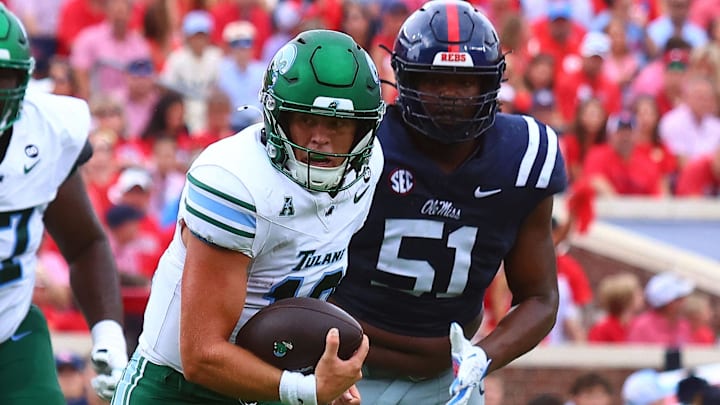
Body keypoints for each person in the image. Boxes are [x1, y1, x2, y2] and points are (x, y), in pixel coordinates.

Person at [110, 29, 385, 405]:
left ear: (362, 128)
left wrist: (317, 373)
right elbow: (201, 355)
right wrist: (307, 391)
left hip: (274, 383)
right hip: (178, 389)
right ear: (278, 117)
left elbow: (304, 285)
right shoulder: (236, 181)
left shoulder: (367, 170)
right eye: (306, 120)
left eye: (336, 124)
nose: (320, 139)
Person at [331, 1, 568, 404]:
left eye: (465, 82)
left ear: (491, 82)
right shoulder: (362, 142)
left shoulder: (523, 154)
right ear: (405, 79)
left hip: (445, 381)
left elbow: (541, 297)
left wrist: (483, 356)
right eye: (434, 80)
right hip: (346, 370)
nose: (450, 96)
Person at [0, 4, 128, 405]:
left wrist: (108, 332)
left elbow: (85, 243)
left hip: (10, 331)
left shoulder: (46, 132)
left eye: (2, 79)